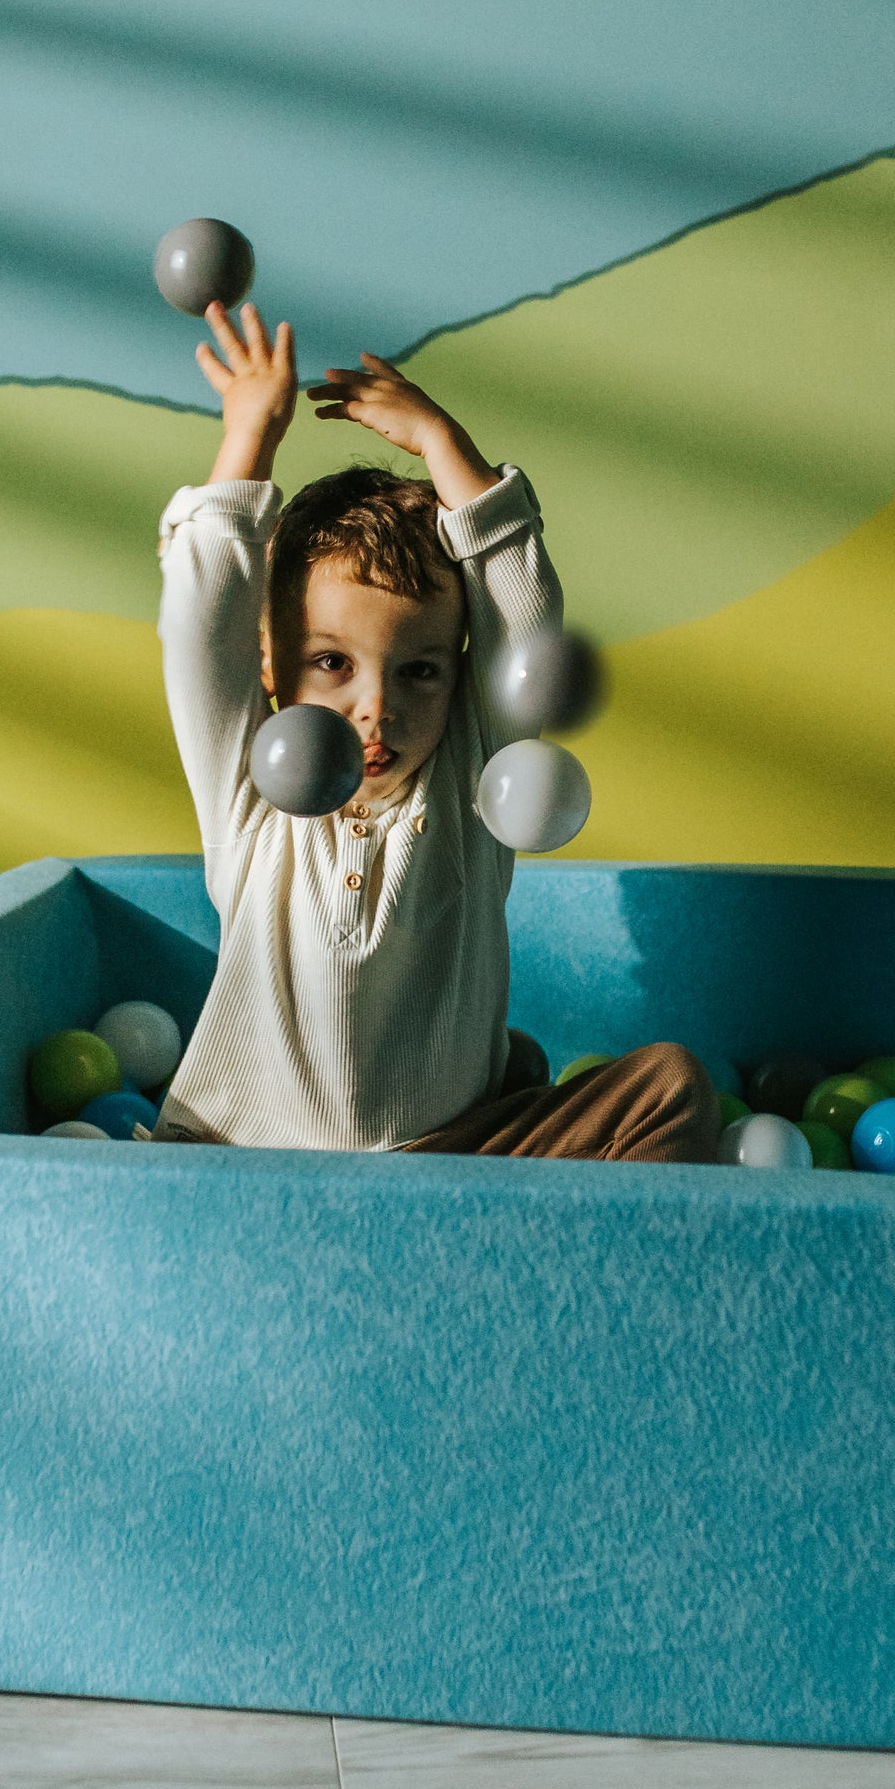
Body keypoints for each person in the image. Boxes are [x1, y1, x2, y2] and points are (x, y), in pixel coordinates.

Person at [151, 297, 719, 1160]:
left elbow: (525, 630)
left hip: (447, 1167)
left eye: (419, 670)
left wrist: (443, 447)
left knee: (669, 1084)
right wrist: (249, 443)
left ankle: (570, 1268)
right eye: (333, 665)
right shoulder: (254, 797)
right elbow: (200, 631)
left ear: (459, 676)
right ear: (270, 669)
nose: (379, 709)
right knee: (522, 1061)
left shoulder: (474, 780)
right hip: (245, 1163)